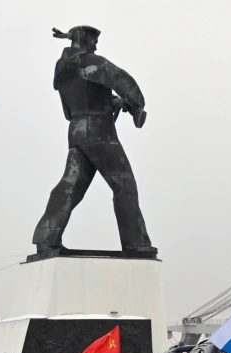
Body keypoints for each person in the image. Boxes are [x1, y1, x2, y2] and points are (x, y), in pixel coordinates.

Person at [32, 25, 157, 255]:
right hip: (100, 133)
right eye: (93, 40)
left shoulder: (62, 70)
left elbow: (74, 108)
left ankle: (47, 237)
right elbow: (121, 79)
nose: (96, 45)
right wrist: (137, 102)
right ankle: (135, 243)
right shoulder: (90, 63)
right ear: (85, 38)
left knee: (70, 186)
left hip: (77, 130)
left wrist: (114, 103)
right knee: (124, 186)